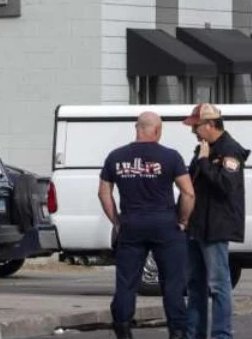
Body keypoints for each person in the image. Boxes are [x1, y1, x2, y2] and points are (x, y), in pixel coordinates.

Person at [98, 111, 195, 339]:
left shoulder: (116, 157)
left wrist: (117, 221)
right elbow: (189, 193)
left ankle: (122, 328)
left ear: (137, 127)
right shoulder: (171, 157)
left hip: (131, 224)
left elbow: (103, 193)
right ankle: (177, 331)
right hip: (165, 225)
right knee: (172, 283)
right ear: (158, 130)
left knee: (126, 282)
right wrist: (182, 220)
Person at [183, 103, 250, 339]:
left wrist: (203, 162)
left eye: (196, 127)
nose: (193, 132)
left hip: (215, 226)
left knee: (218, 285)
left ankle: (222, 334)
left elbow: (226, 186)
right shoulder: (203, 148)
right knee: (194, 284)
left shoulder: (230, 151)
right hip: (196, 225)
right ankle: (194, 333)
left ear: (210, 125)